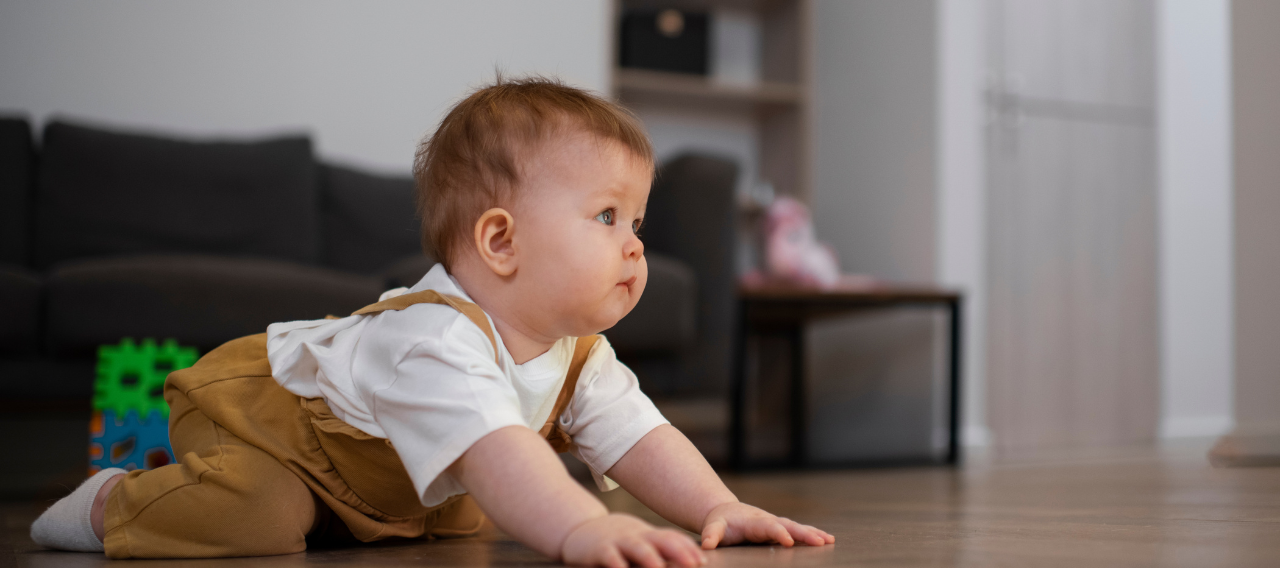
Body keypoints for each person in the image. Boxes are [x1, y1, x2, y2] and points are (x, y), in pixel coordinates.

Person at [31, 77, 834, 565]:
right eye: (606, 216)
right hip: (268, 422)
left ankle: (353, 521)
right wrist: (584, 529)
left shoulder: (581, 351)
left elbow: (638, 436)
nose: (634, 245)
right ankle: (112, 502)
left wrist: (715, 505)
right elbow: (502, 451)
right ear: (501, 240)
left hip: (377, 475)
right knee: (262, 517)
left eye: (638, 223)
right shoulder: (435, 338)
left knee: (475, 503)